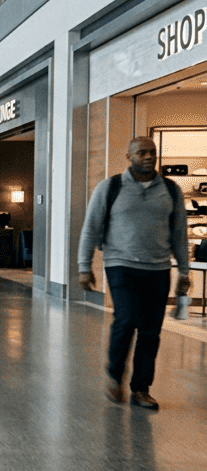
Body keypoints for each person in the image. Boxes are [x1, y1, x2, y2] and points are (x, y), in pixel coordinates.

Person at [77, 137, 191, 410]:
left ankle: (141, 389)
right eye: (142, 153)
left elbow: (179, 235)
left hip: (158, 268)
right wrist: (84, 266)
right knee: (126, 319)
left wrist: (184, 272)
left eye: (152, 152)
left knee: (151, 331)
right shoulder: (111, 187)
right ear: (129, 157)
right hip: (121, 265)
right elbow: (90, 228)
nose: (149, 157)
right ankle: (115, 377)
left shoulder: (171, 190)